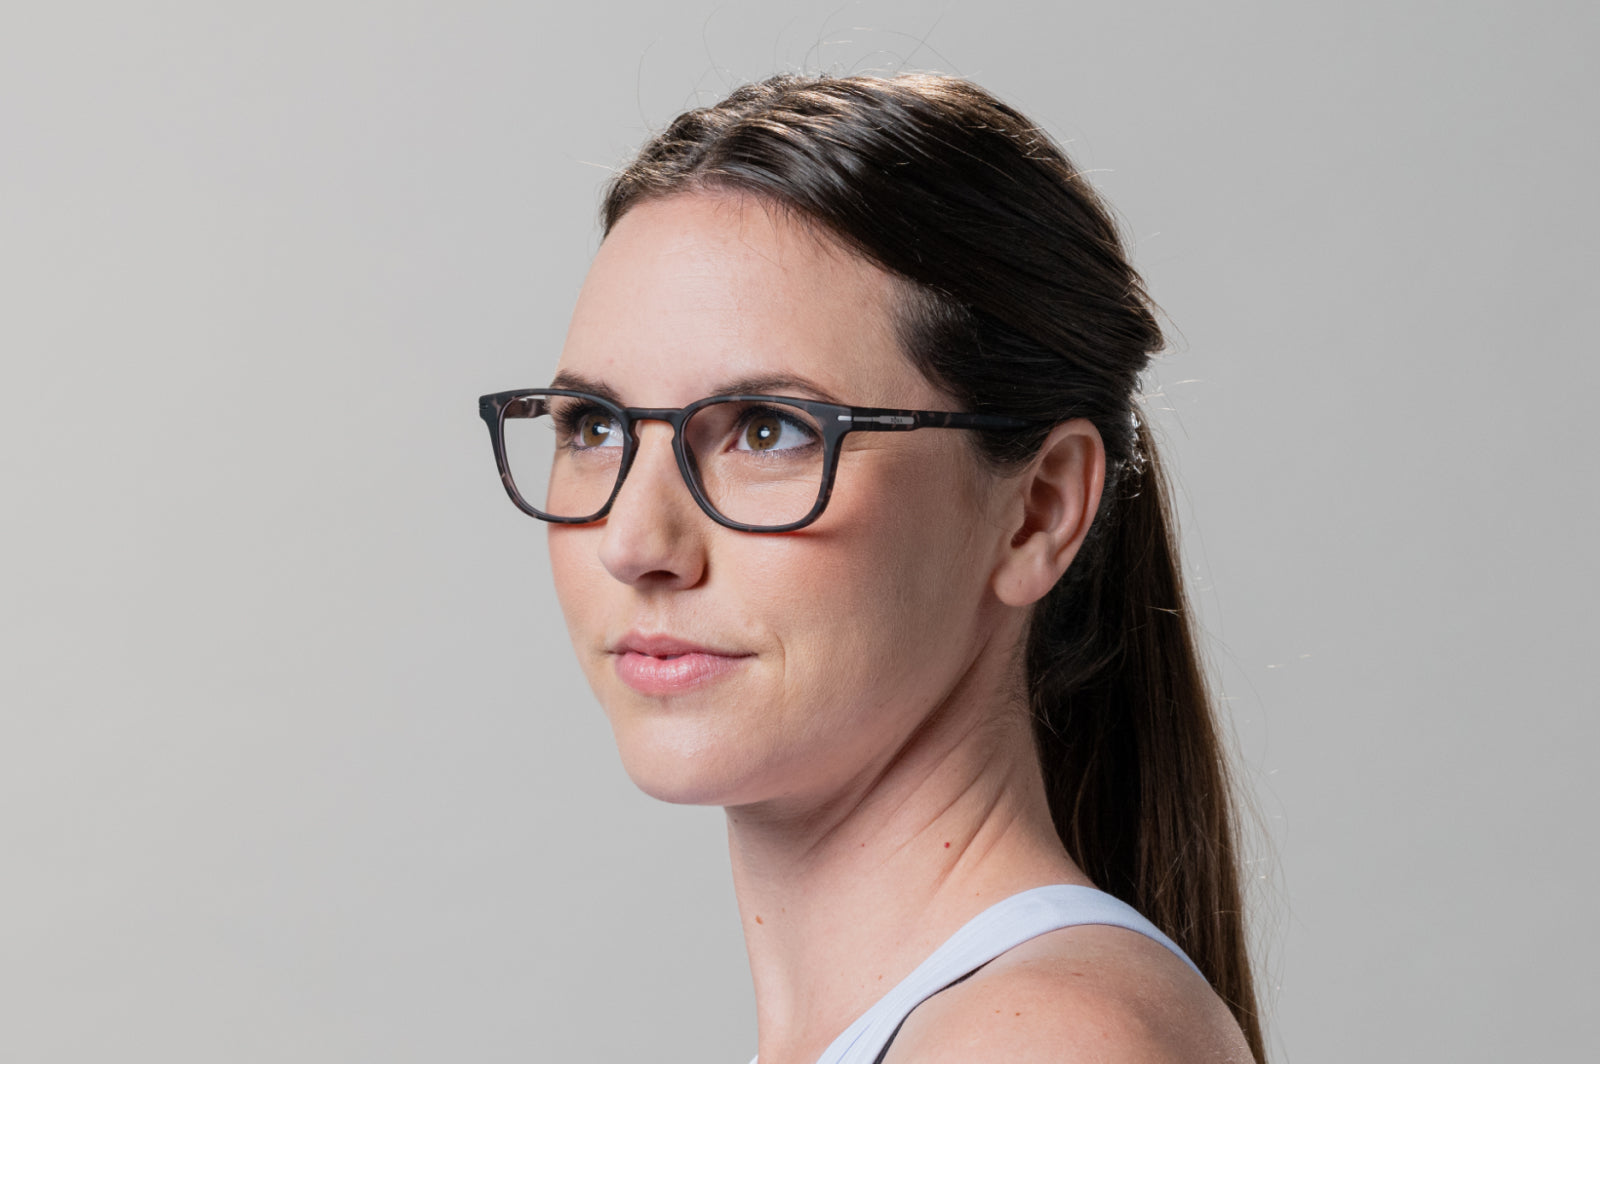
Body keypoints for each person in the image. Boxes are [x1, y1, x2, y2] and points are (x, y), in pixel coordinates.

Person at [479, 73, 1263, 1062]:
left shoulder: (1038, 1055)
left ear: (1038, 511)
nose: (634, 544)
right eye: (593, 426)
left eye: (769, 429)